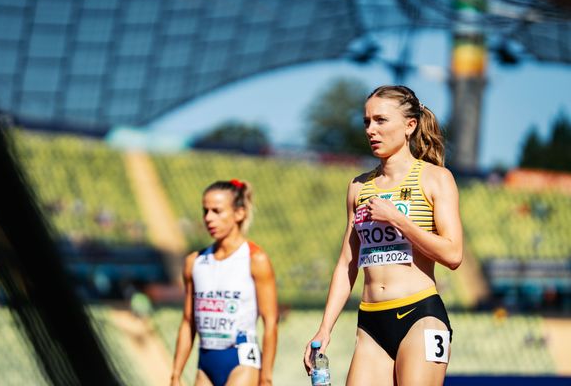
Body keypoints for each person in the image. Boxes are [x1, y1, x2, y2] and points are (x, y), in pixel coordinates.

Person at [304, 85, 463, 385]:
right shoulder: (358, 187)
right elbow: (346, 264)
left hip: (420, 316)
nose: (371, 130)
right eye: (366, 121)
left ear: (409, 125)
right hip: (371, 323)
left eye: (381, 120)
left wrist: (399, 220)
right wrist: (324, 329)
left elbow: (453, 255)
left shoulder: (435, 178)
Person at [171, 179, 278, 386]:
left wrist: (266, 377)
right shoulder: (194, 262)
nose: (209, 218)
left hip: (241, 361)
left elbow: (271, 322)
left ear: (239, 213)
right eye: (205, 211)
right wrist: (175, 374)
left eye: (217, 211)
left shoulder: (255, 259)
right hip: (205, 364)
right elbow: (187, 321)